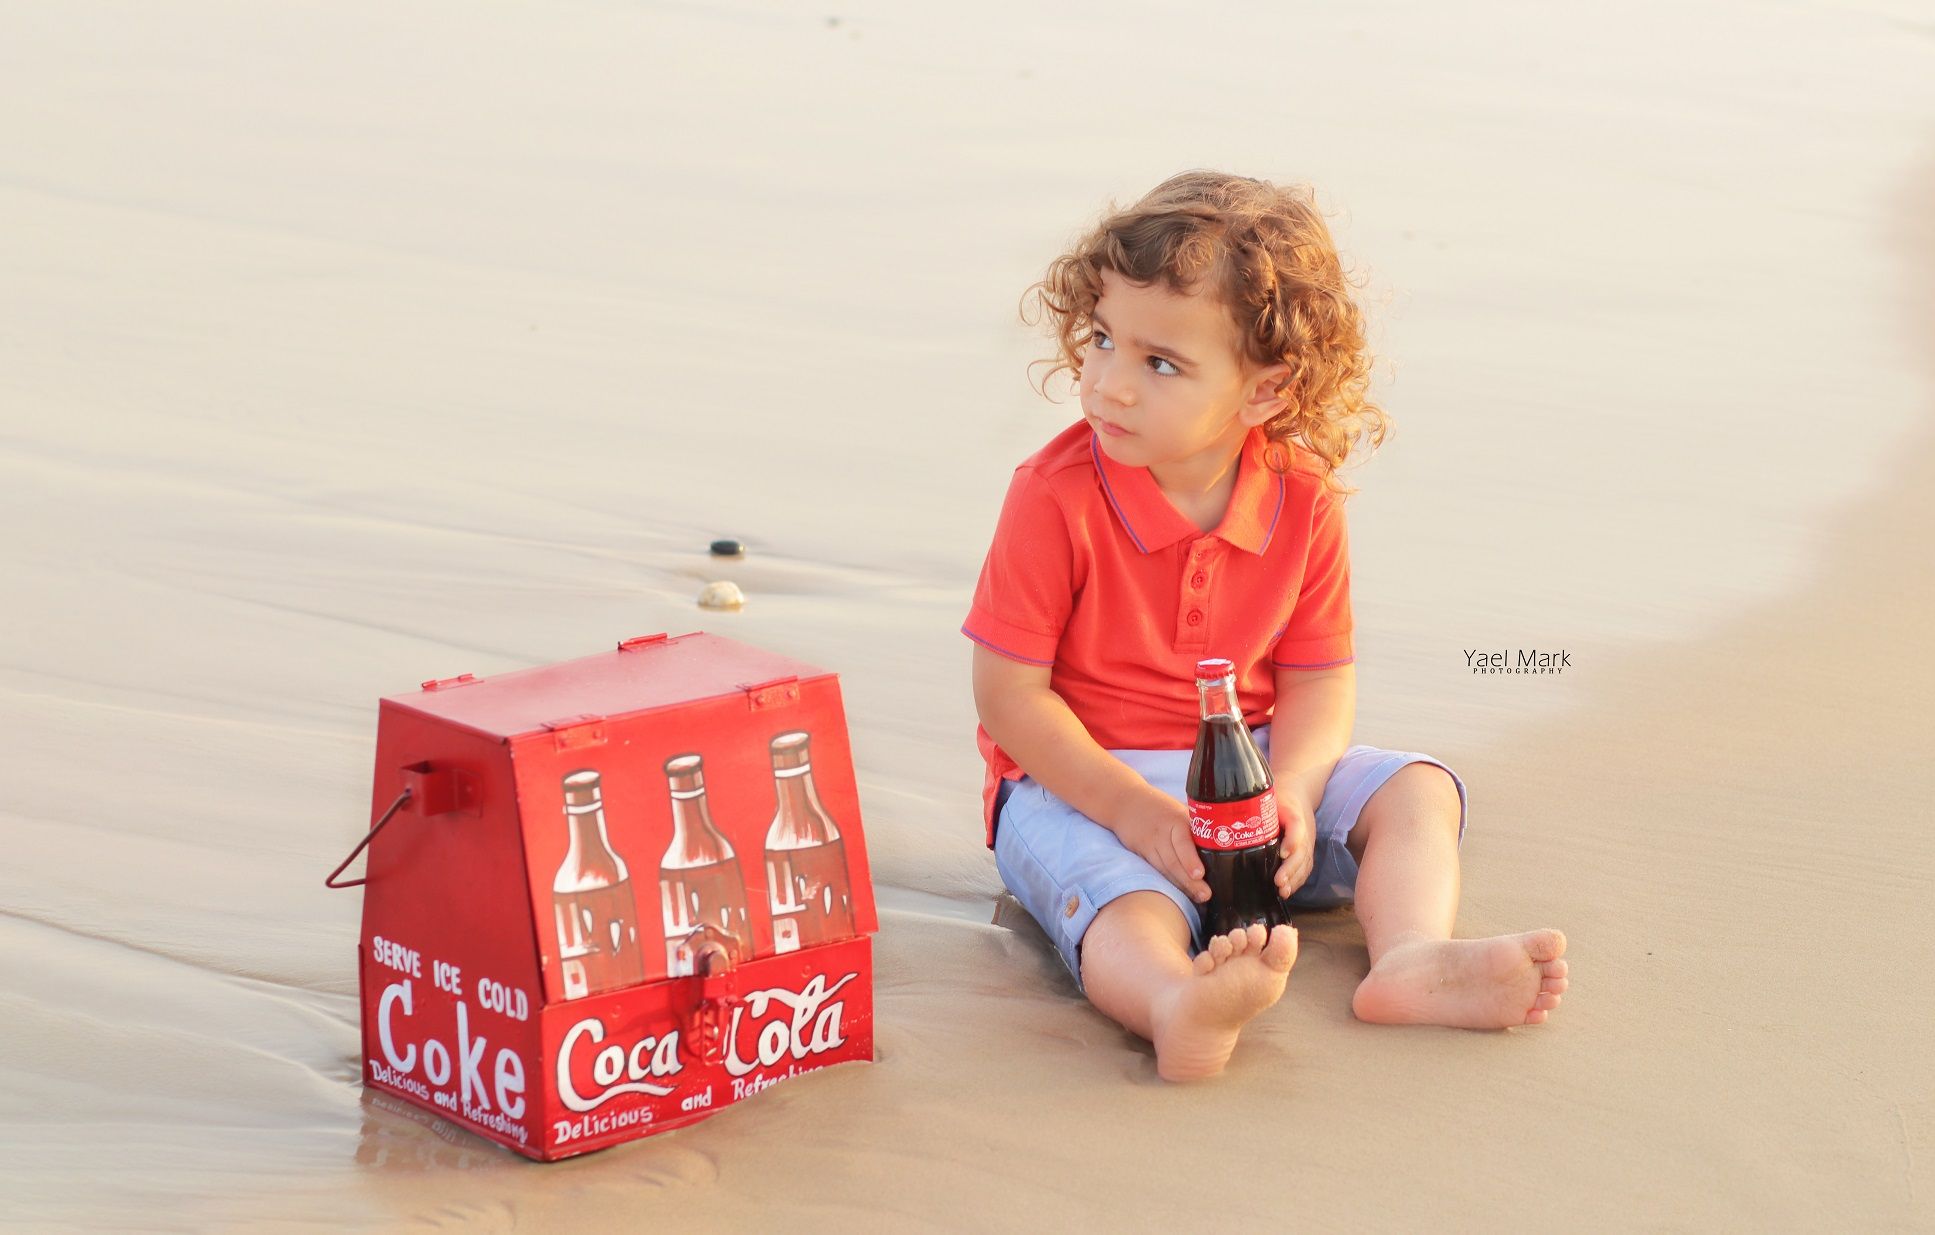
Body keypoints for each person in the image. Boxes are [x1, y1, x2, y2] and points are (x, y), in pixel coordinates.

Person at [963, 171, 1569, 1082]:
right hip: (1081, 784)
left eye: (1159, 363)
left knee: (1417, 789)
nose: (1108, 385)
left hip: (1250, 773)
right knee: (1126, 900)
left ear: (1264, 390)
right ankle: (1172, 1001)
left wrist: (1294, 789)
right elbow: (1009, 697)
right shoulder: (1054, 497)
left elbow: (1317, 677)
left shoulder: (1302, 496)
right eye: (1101, 339)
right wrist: (1133, 810)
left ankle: (1408, 955)